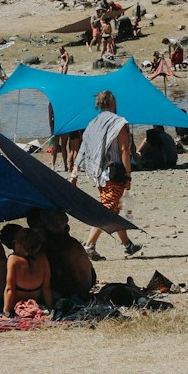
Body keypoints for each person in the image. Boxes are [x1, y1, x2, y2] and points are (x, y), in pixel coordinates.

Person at [70, 91, 141, 259]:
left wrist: (74, 174)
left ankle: (128, 245)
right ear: (112, 102)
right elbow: (124, 149)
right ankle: (89, 245)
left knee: (113, 208)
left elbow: (83, 148)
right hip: (114, 173)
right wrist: (129, 175)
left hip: (99, 173)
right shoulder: (119, 122)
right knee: (107, 210)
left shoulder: (92, 123)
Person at [2, 227, 52, 316]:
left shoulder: (13, 260)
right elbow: (46, 288)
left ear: (19, 244)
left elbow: (10, 289)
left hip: (16, 304)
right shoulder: (43, 259)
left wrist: (6, 312)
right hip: (35, 302)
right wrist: (50, 308)